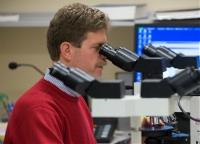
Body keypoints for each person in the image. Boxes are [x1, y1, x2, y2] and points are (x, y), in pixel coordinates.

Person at [4, 3, 109, 144]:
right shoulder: (38, 109)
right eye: (98, 48)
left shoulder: (77, 99)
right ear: (67, 51)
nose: (105, 56)